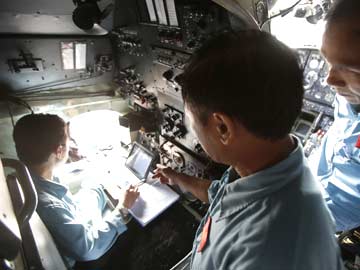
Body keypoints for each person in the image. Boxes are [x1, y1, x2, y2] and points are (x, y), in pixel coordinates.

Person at [154, 30, 343, 270]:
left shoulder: (268, 254)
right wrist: (178, 177)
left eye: (191, 122)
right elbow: (222, 198)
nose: (191, 129)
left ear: (223, 128)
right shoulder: (264, 163)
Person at [13, 113, 140, 268]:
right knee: (138, 222)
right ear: (59, 151)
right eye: (69, 140)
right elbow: (87, 249)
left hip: (78, 239)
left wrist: (98, 188)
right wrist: (123, 208)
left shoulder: (36, 179)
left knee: (103, 198)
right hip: (85, 261)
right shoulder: (47, 205)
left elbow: (73, 210)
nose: (72, 145)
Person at [311, 0, 360, 232]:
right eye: (328, 60)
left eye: (352, 70)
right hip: (308, 177)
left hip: (324, 217)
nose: (330, 80)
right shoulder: (349, 93)